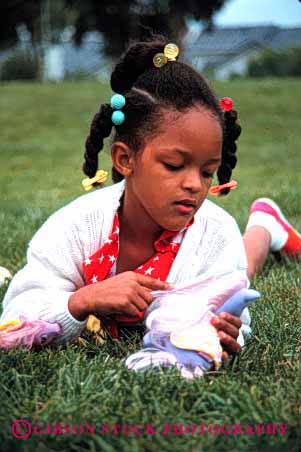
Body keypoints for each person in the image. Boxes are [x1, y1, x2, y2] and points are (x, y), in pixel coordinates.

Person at [1, 37, 300, 361]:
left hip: (222, 246)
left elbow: (235, 316)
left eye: (206, 172)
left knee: (242, 260)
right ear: (125, 159)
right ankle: (266, 224)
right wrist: (82, 300)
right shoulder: (75, 227)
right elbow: (15, 317)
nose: (193, 185)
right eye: (174, 165)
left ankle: (264, 227)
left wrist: (223, 331)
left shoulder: (216, 234)